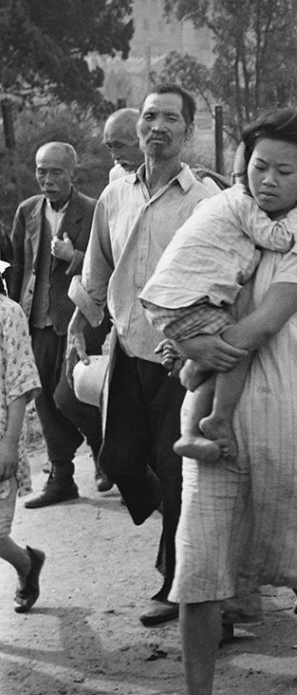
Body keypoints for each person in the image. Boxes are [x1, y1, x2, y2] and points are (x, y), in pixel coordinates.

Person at [143, 107, 297, 695]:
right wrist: (187, 340)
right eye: (258, 165)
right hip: (217, 424)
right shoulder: (232, 216)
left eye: (283, 170)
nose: (267, 179)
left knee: (293, 546)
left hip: (284, 408)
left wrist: (196, 349)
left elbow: (263, 325)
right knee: (199, 562)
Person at [68, 85, 213, 627]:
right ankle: (180, 533)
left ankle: (177, 582)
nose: (156, 127)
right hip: (128, 351)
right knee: (121, 460)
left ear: (188, 132)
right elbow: (96, 269)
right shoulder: (114, 196)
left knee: (177, 474)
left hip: (182, 360)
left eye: (169, 119)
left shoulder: (204, 202)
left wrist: (197, 336)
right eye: (149, 116)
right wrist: (81, 324)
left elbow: (220, 280)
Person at [139, 183, 297, 462]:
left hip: (168, 300)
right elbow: (282, 239)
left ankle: (191, 423)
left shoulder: (214, 204)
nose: (270, 181)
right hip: (187, 302)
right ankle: (217, 416)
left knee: (220, 354)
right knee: (237, 349)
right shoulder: (244, 202)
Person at [9, 142, 107, 505]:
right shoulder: (27, 211)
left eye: (56, 172)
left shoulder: (94, 211)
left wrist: (74, 256)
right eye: (41, 171)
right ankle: (62, 477)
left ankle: (105, 453)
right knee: (46, 401)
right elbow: (18, 265)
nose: (47, 180)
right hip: (37, 322)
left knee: (73, 396)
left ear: (73, 174)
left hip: (78, 324)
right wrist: (15, 315)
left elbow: (107, 266)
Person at [0, 289, 43, 612]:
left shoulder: (9, 314)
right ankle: (28, 563)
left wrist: (9, 444)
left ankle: (27, 564)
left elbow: (20, 385)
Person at [103, 107, 144, 181]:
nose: (114, 156)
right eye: (110, 147)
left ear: (142, 141)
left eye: (119, 146)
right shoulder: (117, 174)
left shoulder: (169, 174)